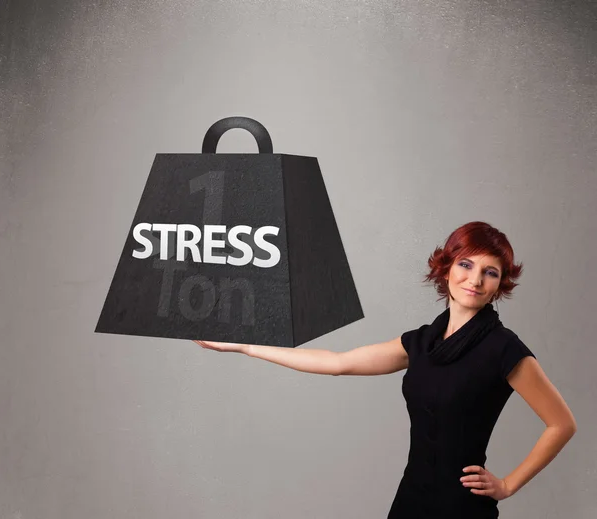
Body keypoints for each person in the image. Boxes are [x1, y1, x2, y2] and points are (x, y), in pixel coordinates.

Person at [193, 221, 577, 518]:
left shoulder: (503, 347)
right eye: (465, 264)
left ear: (499, 285)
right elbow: (338, 363)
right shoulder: (421, 342)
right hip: (411, 497)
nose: (475, 280)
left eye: (490, 272)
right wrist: (244, 346)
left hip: (462, 507)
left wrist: (508, 484)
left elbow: (562, 424)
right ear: (446, 269)